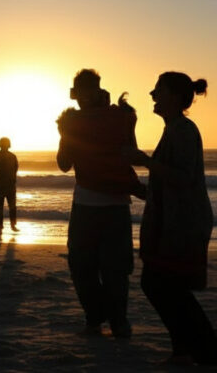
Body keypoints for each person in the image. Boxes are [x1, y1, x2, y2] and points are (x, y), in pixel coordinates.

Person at [130, 72, 217, 366]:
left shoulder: (182, 129)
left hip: (182, 224)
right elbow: (169, 181)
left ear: (173, 96)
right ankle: (185, 351)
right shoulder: (174, 128)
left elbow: (183, 179)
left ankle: (206, 354)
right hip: (174, 222)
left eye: (158, 89)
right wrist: (139, 188)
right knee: (163, 285)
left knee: (163, 285)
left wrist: (145, 161)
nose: (152, 94)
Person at [56, 69, 145, 338]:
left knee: (95, 268)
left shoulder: (83, 121)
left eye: (84, 92)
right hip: (105, 204)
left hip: (97, 205)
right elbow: (131, 155)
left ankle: (104, 320)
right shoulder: (121, 117)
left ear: (92, 91)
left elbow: (63, 164)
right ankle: (109, 321)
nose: (81, 97)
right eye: (80, 92)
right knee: (102, 268)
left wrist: (67, 132)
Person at [0, 137, 19, 237]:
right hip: (5, 186)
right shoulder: (10, 156)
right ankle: (5, 227)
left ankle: (2, 227)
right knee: (8, 207)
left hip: (3, 185)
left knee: (3, 207)